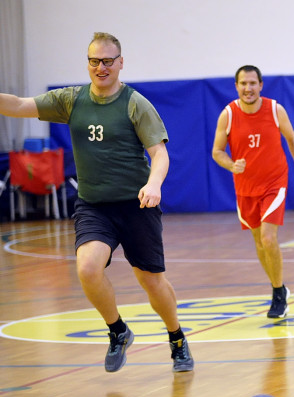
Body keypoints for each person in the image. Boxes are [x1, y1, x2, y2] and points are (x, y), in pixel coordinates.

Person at [0, 32, 193, 373]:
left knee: (151, 281)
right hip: (94, 206)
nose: (101, 67)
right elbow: (16, 105)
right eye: (94, 61)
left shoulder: (135, 104)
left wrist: (153, 184)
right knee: (88, 268)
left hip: (136, 206)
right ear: (87, 63)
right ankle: (117, 331)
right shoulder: (71, 100)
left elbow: (160, 153)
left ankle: (176, 337)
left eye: (107, 61)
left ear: (120, 63)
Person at [211, 65, 294, 319]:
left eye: (252, 83)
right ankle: (280, 287)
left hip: (274, 183)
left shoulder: (275, 110)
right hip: (245, 188)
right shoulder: (228, 115)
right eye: (243, 83)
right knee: (259, 242)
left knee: (268, 238)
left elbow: (293, 139)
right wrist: (231, 164)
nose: (248, 88)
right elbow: (217, 151)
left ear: (261, 85)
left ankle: (278, 294)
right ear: (236, 86)